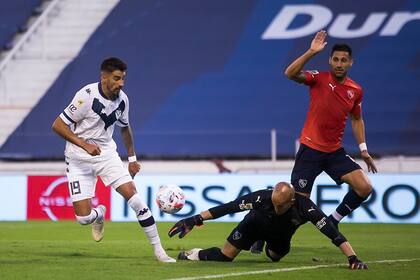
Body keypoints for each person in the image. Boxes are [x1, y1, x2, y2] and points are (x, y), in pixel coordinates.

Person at [52, 57, 175, 262]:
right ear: (104, 77)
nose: (121, 83)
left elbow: (125, 128)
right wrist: (84, 144)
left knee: (134, 198)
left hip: (106, 155)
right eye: (117, 79)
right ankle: (99, 214)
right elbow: (58, 125)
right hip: (77, 159)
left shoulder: (123, 100)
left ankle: (159, 251)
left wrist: (132, 158)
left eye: (123, 79)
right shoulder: (86, 97)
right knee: (83, 219)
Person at [284, 30, 377, 226]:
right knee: (297, 210)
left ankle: (333, 220)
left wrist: (364, 150)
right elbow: (290, 73)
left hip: (334, 152)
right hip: (310, 151)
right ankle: (262, 231)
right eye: (335, 59)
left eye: (344, 60)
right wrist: (311, 52)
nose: (339, 64)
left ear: (351, 62)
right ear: (330, 61)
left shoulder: (355, 90)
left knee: (364, 187)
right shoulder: (318, 79)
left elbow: (357, 119)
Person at [168, 182, 368, 270]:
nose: (274, 206)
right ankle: (194, 254)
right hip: (253, 225)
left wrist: (353, 258)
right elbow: (227, 208)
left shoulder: (306, 208)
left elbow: (332, 233)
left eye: (279, 205)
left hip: (280, 237)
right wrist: (194, 219)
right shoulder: (261, 198)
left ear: (291, 202)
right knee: (224, 257)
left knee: (274, 257)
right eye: (273, 202)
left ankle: (263, 241)